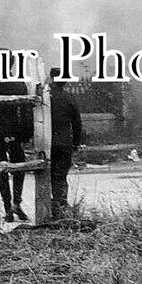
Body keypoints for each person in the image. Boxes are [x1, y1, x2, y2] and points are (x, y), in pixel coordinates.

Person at [0, 49, 33, 222]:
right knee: (19, 169)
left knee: (1, 170)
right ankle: (17, 202)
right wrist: (24, 135)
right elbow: (25, 112)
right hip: (16, 132)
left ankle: (8, 205)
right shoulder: (19, 84)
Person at [49, 68, 82, 211]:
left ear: (52, 79)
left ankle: (56, 203)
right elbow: (77, 123)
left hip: (49, 142)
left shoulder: (47, 97)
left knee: (51, 174)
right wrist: (76, 143)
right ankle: (61, 202)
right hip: (65, 141)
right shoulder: (70, 98)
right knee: (61, 174)